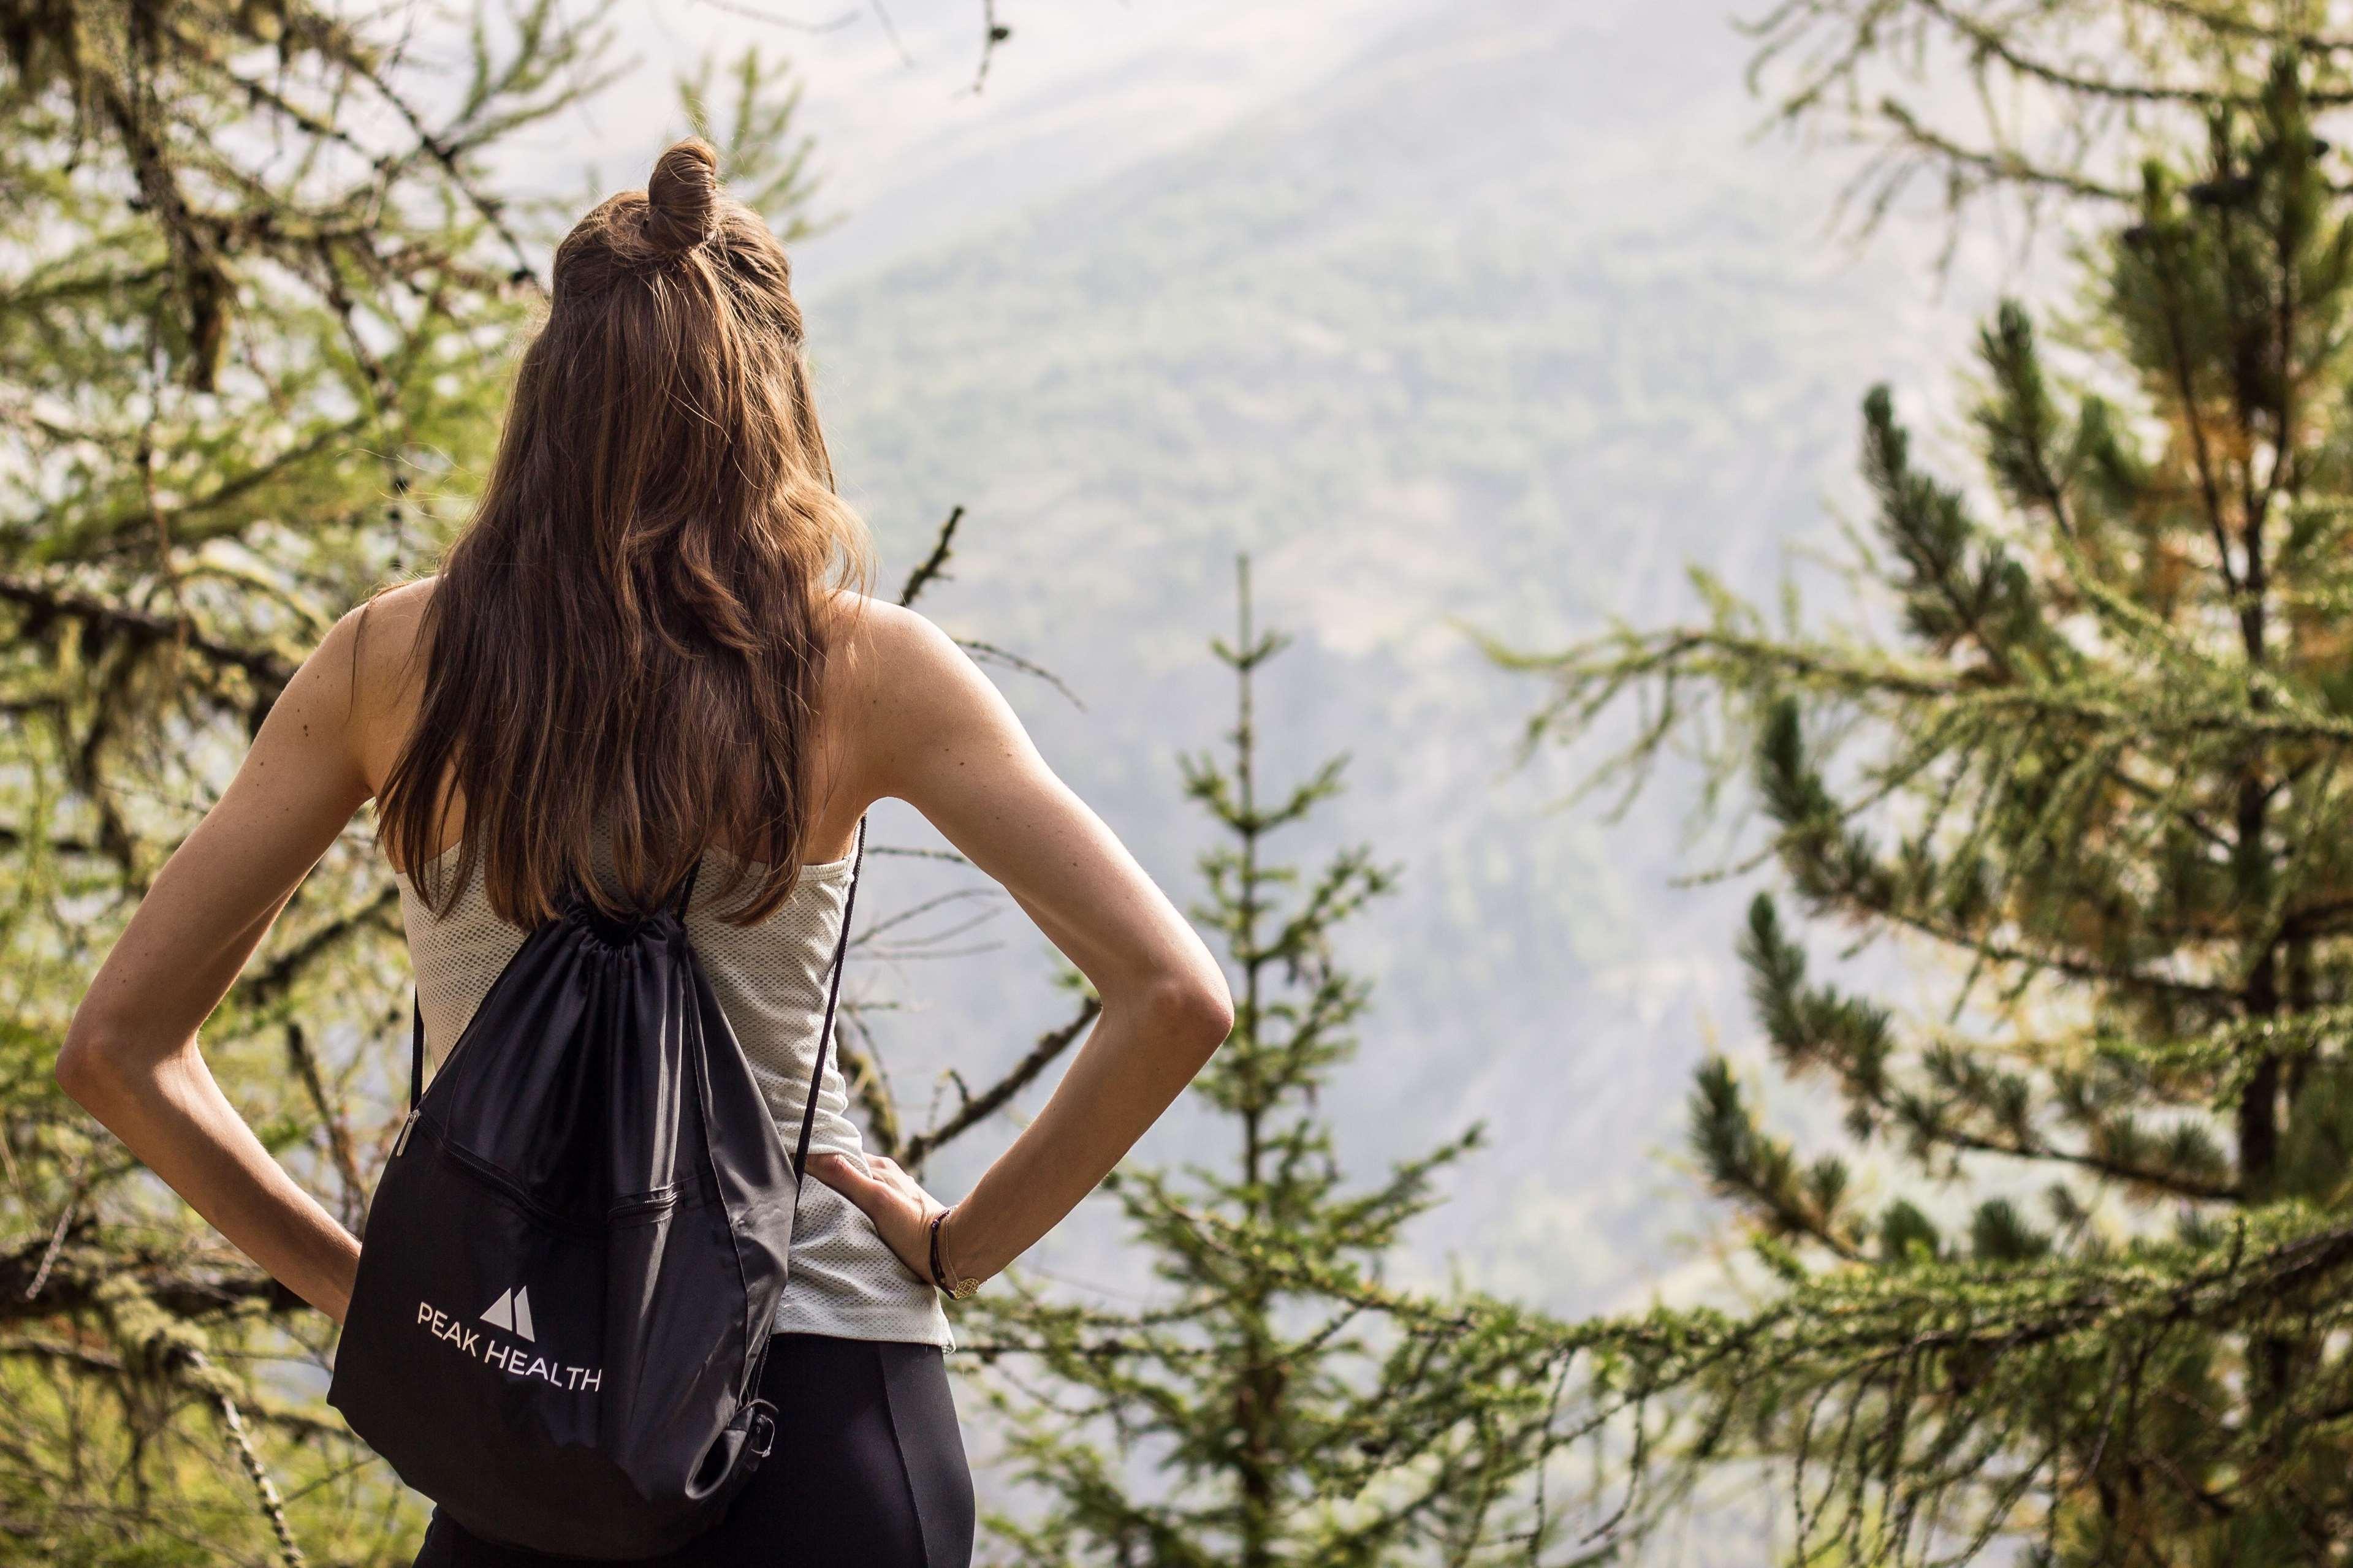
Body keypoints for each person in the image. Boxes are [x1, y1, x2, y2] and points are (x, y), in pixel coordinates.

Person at [52, 137, 1236, 1568]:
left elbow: (119, 1046)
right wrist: (956, 1242)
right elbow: (1175, 995)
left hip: (529, 1390)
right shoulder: (864, 672)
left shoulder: (388, 663)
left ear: (546, 395)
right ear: (775, 400)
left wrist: (363, 1286)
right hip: (819, 1389)